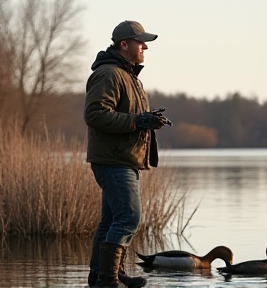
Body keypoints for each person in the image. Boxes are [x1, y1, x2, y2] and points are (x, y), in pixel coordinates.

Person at [83, 20, 171, 288]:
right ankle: (108, 280)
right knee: (129, 217)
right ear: (125, 44)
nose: (145, 46)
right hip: (114, 160)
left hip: (123, 158)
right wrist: (138, 121)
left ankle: (103, 275)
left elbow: (127, 114)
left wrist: (147, 119)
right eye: (141, 42)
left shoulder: (128, 75)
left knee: (111, 219)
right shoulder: (109, 74)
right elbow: (95, 115)